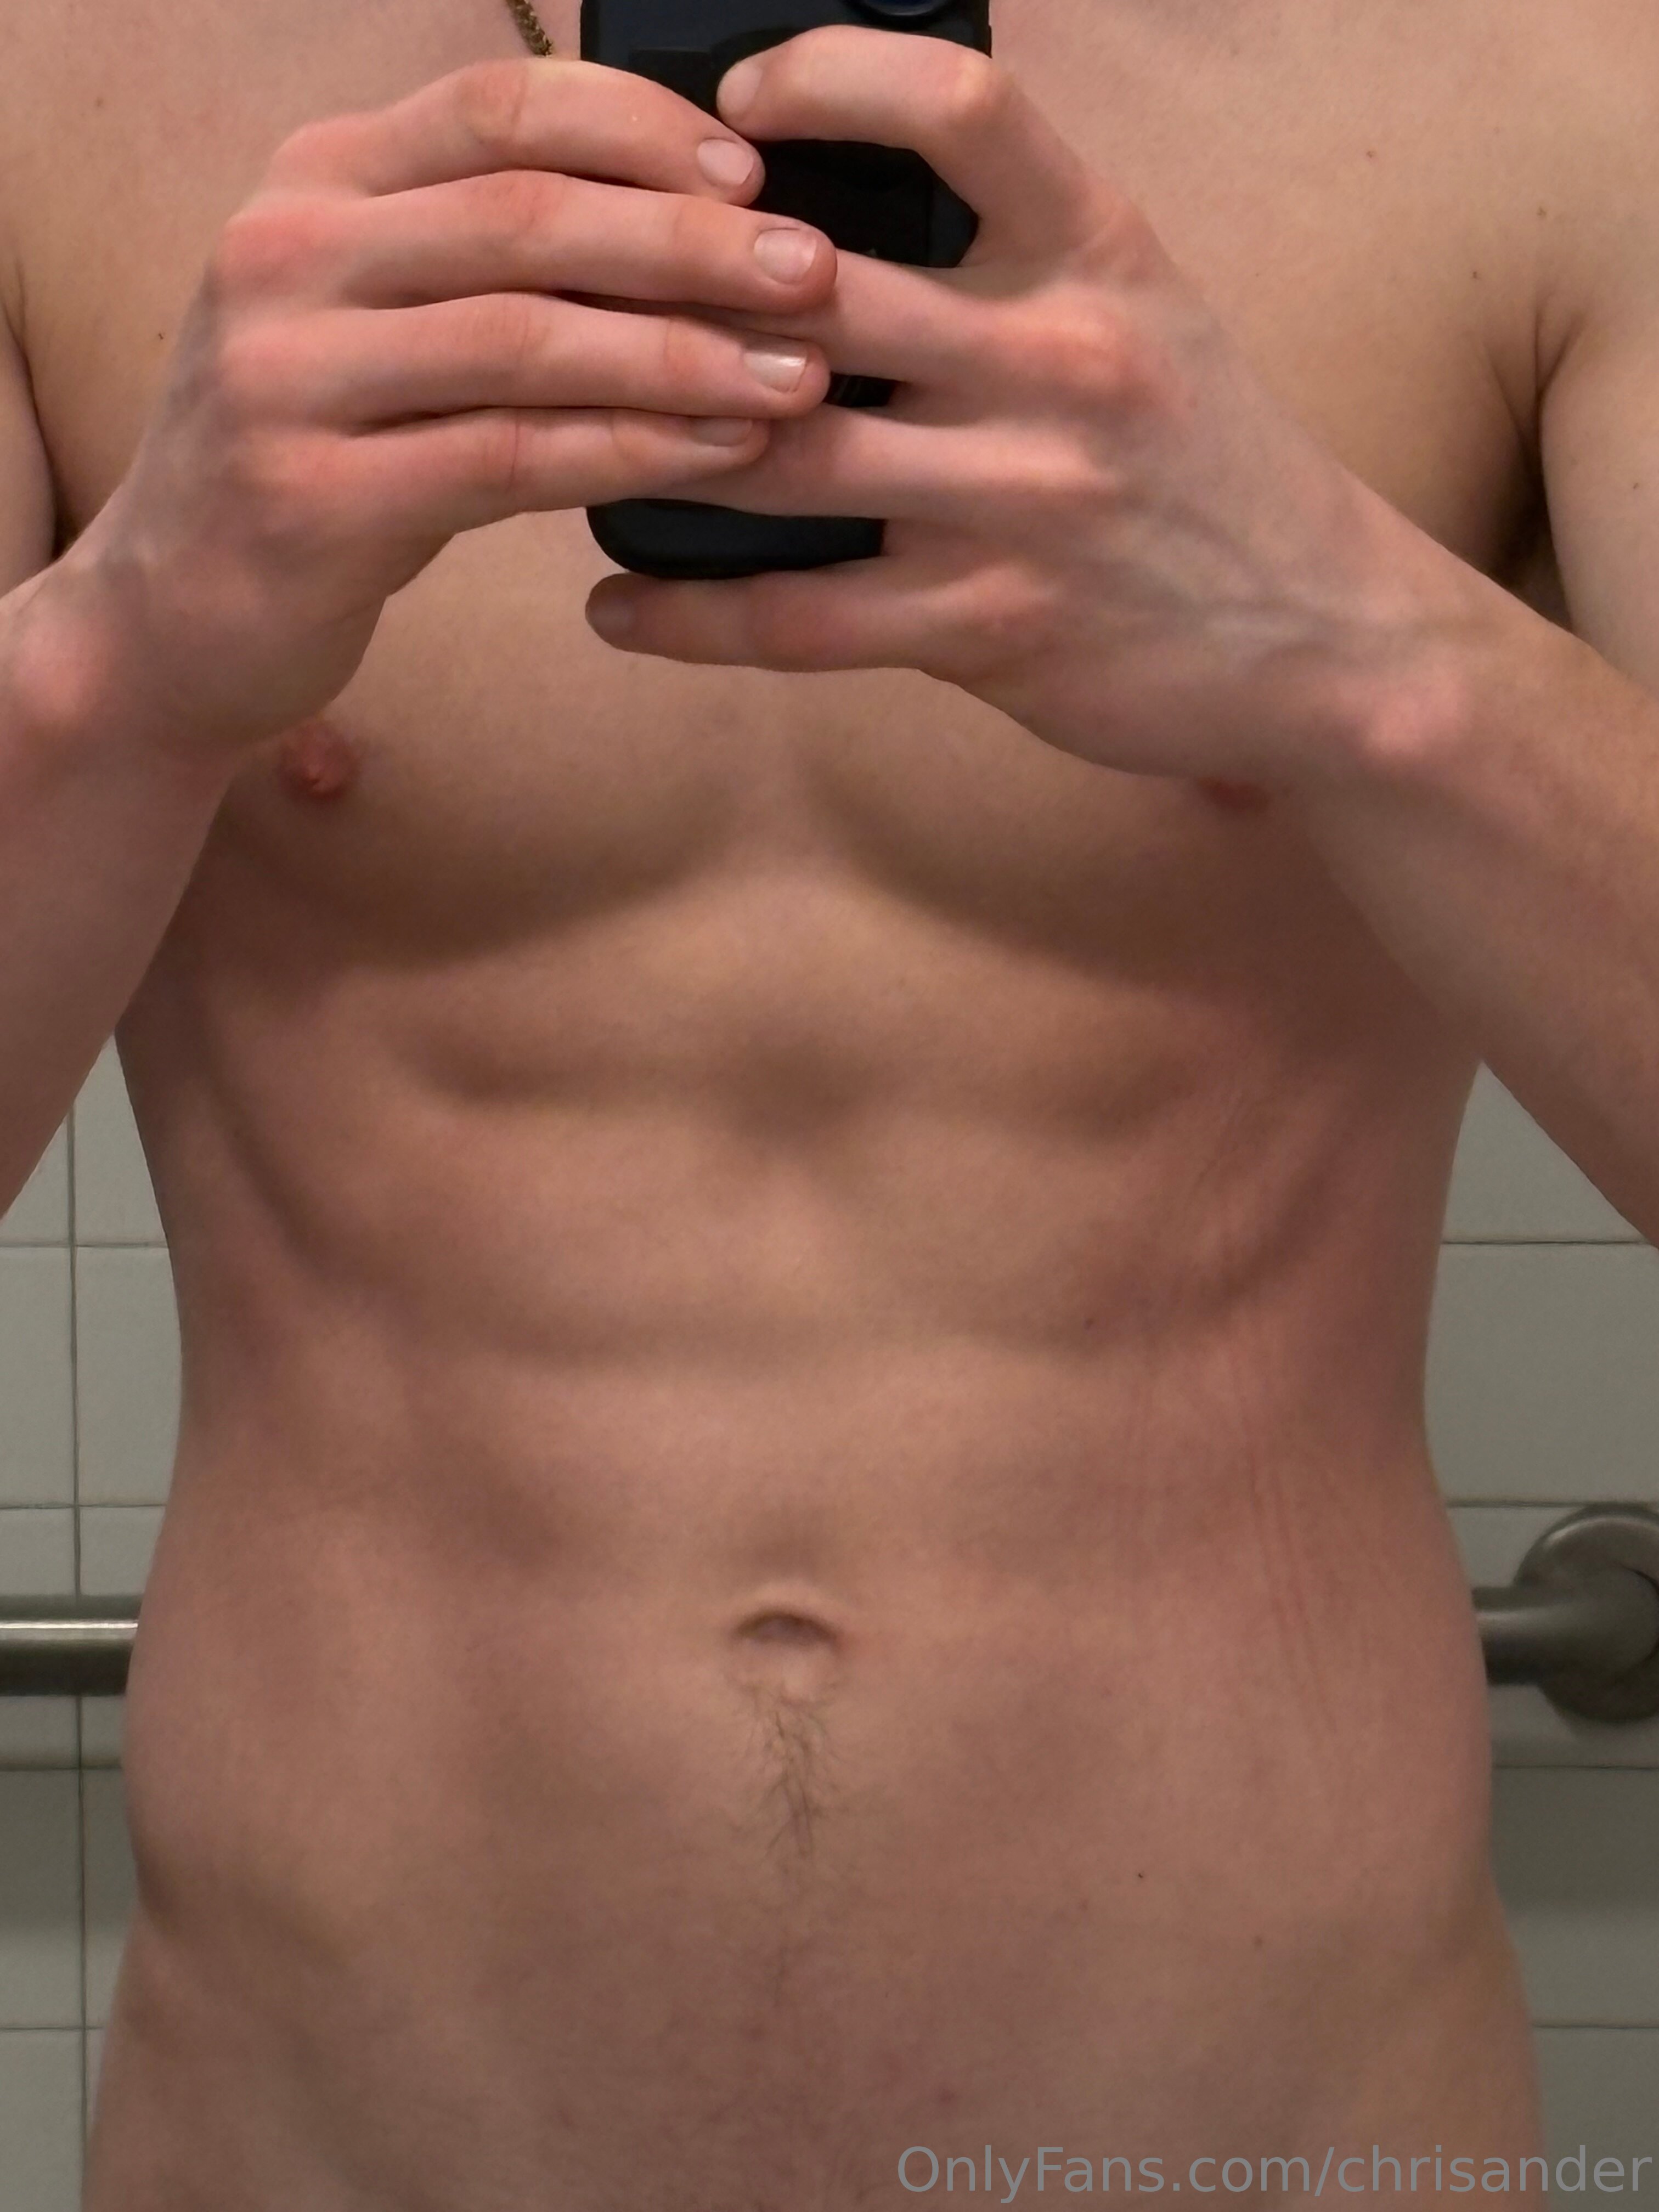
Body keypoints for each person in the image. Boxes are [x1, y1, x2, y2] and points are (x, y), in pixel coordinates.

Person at [2, 0, 1655, 2202]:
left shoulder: (1549, 73)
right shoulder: (54, 85)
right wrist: (113, 658)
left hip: (1272, 2138)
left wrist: (1375, 654)